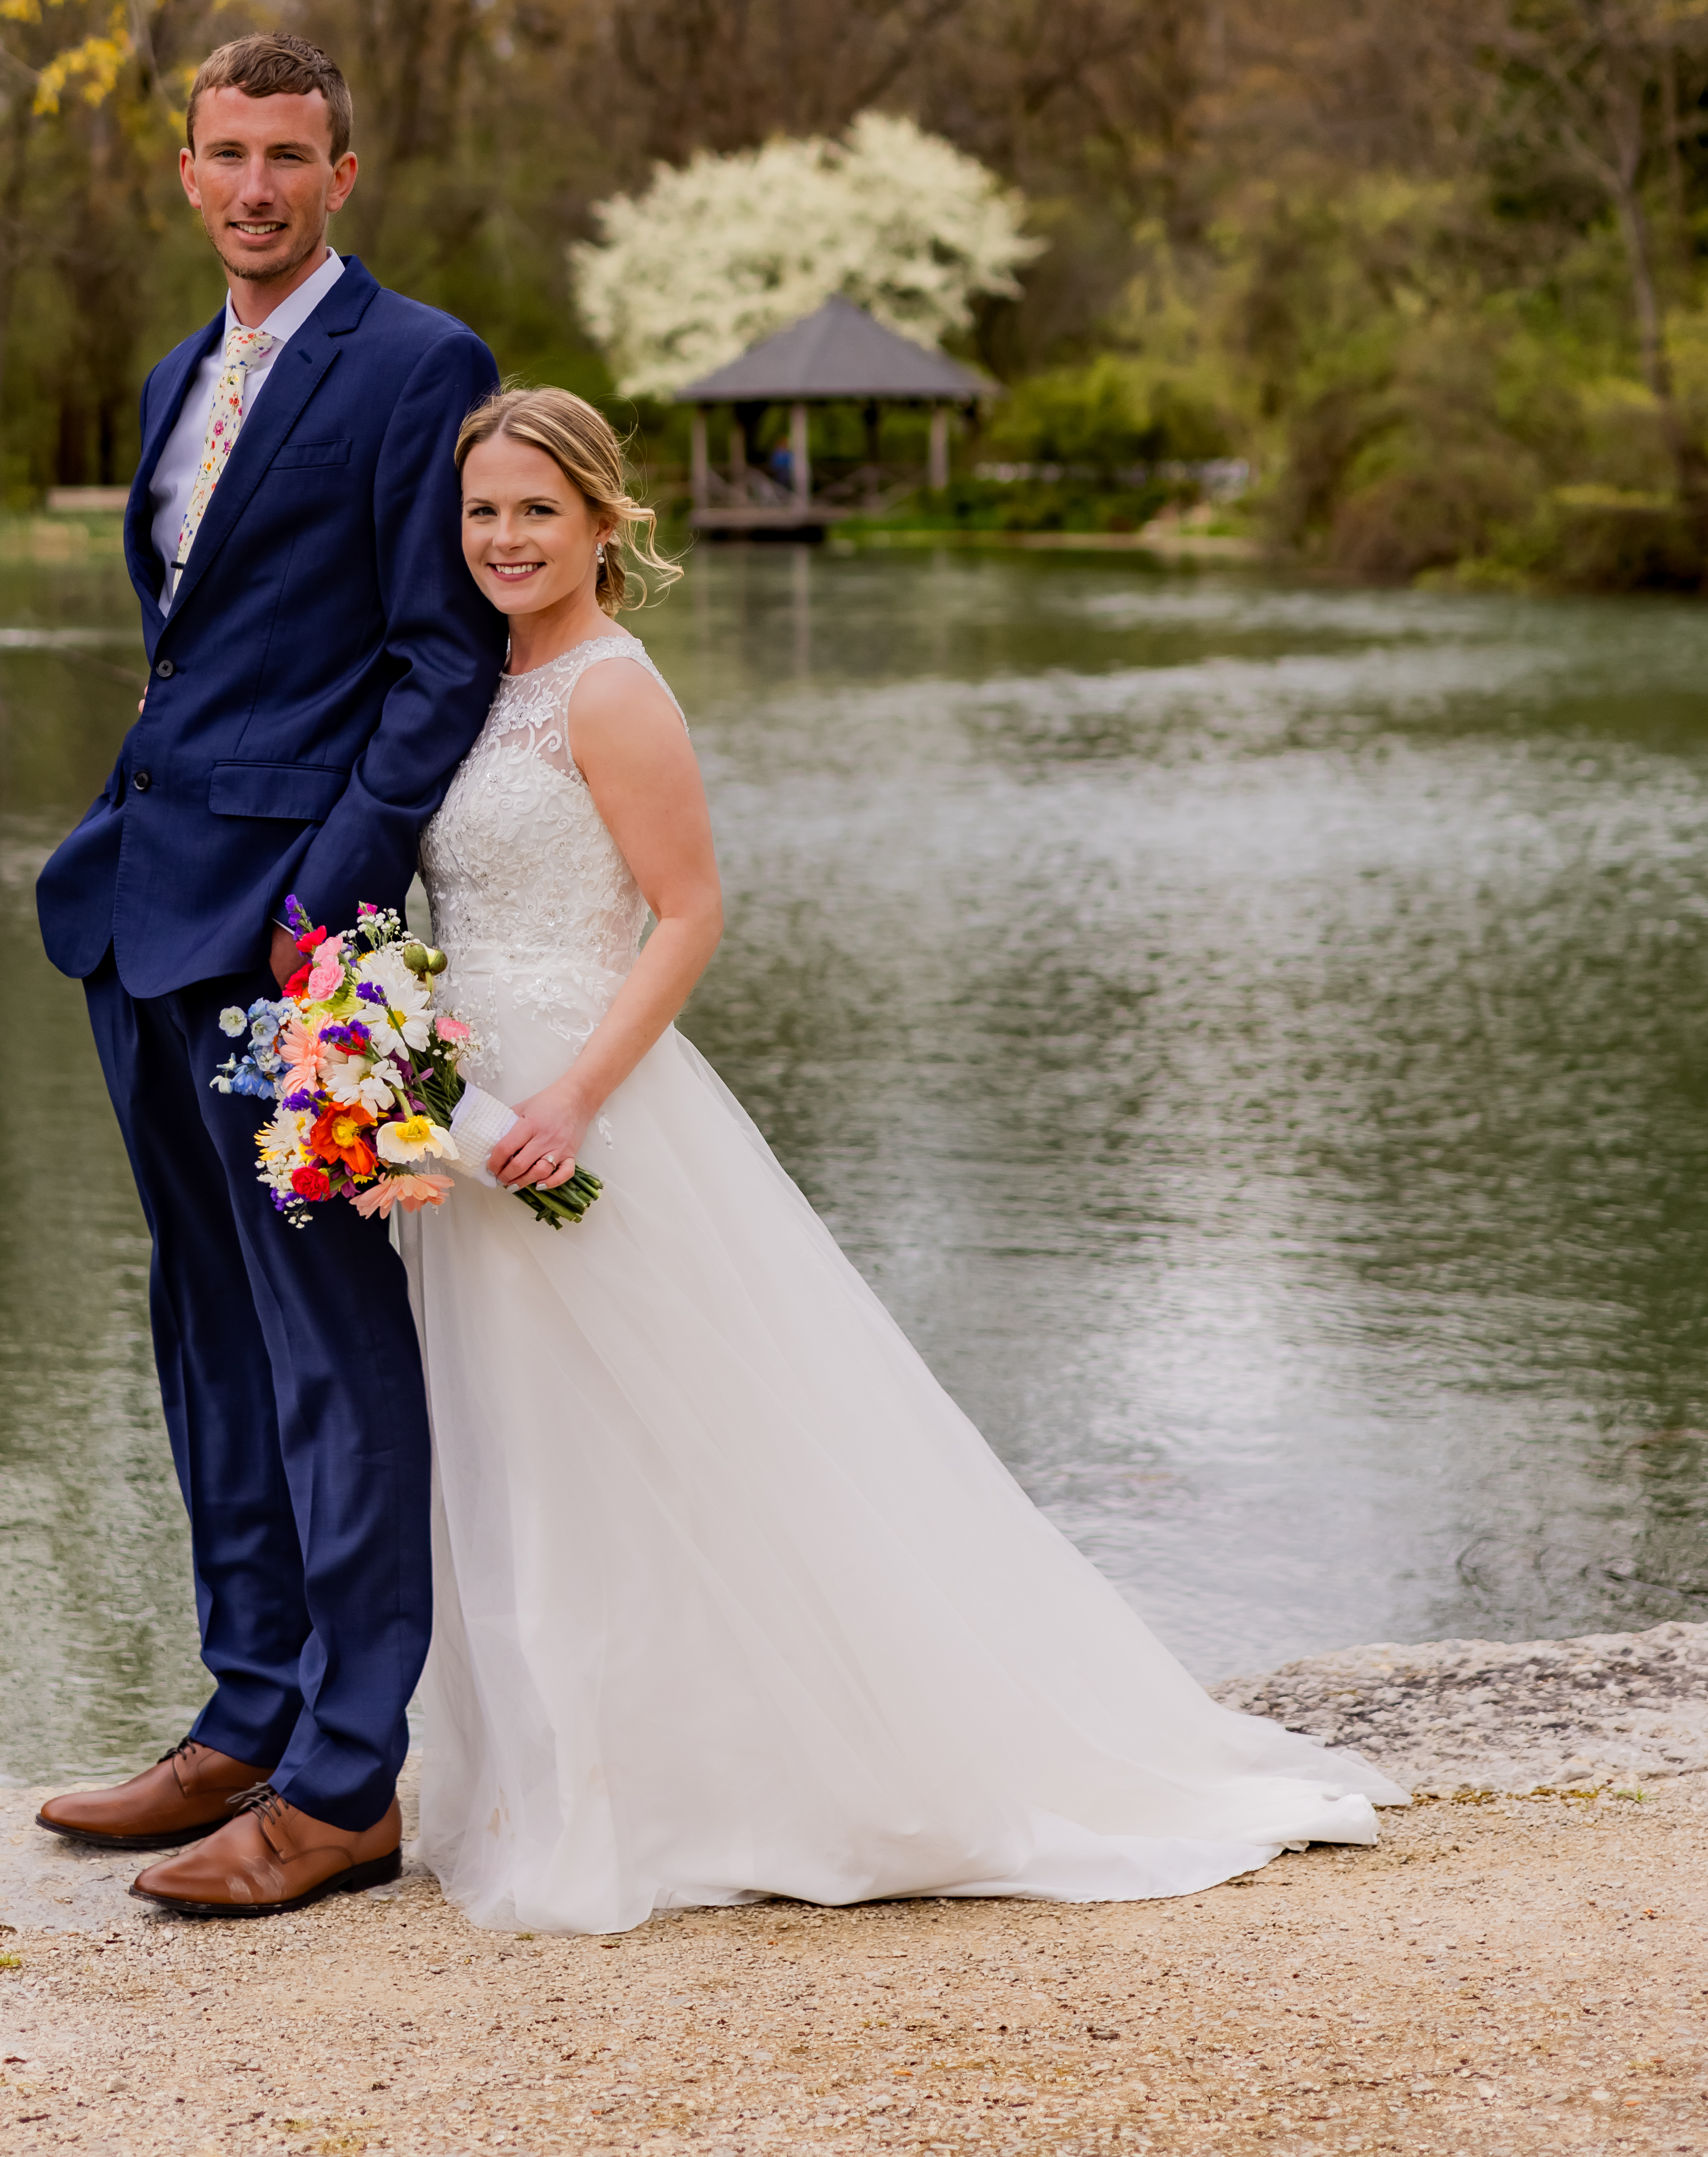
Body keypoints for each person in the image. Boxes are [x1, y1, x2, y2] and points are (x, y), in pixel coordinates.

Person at [394, 387, 1404, 1935]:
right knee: (521, 1459)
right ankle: (553, 1772)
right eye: (484, 512)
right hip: (466, 1128)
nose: (506, 539)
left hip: (581, 1116)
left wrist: (580, 1095)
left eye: (538, 509)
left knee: (678, 1449)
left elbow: (688, 914)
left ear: (604, 520)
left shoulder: (610, 691)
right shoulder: (471, 683)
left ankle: (733, 1776)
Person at [33, 31, 501, 1917]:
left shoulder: (419, 366)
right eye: (224, 154)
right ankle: (245, 1710)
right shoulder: (171, 377)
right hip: (138, 913)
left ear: (343, 171)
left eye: (287, 156)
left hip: (299, 943)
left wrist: (327, 911)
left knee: (329, 1347)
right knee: (206, 1331)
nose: (253, 187)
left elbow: (436, 665)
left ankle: (346, 1779)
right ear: (184, 170)